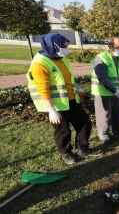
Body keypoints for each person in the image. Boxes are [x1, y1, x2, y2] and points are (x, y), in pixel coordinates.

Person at [26, 33, 92, 165]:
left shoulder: (61, 58)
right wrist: (51, 110)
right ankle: (66, 153)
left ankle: (82, 148)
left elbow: (67, 77)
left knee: (85, 123)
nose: (66, 49)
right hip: (55, 105)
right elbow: (42, 88)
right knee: (63, 131)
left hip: (71, 99)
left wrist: (77, 87)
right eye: (64, 47)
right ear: (53, 46)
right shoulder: (39, 63)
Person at [91, 37, 119, 144]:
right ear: (110, 47)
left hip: (118, 92)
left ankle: (118, 131)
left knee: (118, 112)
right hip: (103, 92)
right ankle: (103, 134)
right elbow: (102, 77)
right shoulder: (101, 58)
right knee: (104, 114)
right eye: (118, 47)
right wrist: (115, 90)